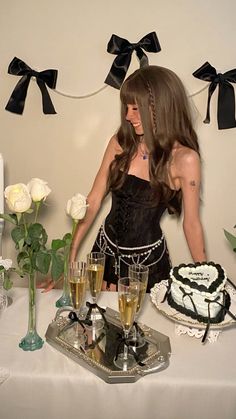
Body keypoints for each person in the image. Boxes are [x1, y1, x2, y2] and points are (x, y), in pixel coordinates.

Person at [69, 65, 207, 293]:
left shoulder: (185, 160)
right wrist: (71, 254)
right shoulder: (119, 143)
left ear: (161, 108)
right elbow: (93, 200)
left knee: (142, 327)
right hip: (104, 257)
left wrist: (205, 283)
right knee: (99, 324)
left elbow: (191, 224)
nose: (127, 116)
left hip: (147, 269)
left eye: (136, 108)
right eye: (126, 107)